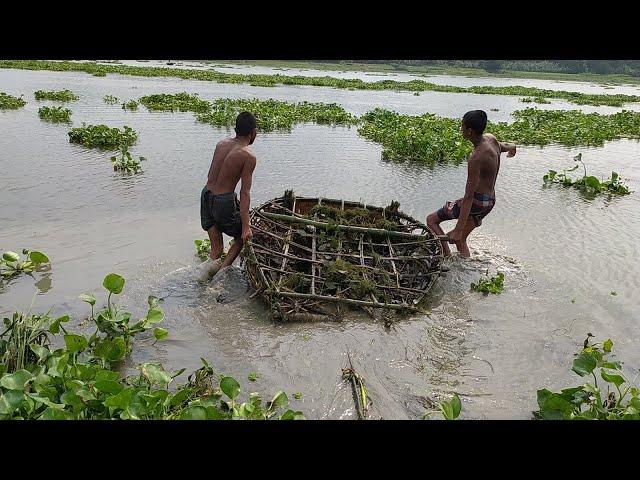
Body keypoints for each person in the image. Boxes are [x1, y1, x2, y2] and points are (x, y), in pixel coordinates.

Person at [426, 110, 516, 258]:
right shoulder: (491, 139)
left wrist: (458, 229)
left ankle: (446, 255)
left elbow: (469, 196)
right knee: (461, 241)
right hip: (489, 202)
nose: (460, 129)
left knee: (432, 220)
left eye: (462, 126)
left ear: (469, 131)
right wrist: (513, 147)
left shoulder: (476, 158)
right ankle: (465, 266)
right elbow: (505, 146)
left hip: (477, 202)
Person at [196, 111, 257, 281]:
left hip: (206, 195)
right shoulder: (248, 155)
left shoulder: (221, 144)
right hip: (223, 201)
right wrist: (246, 226)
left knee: (216, 250)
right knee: (239, 239)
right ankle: (219, 279)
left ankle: (203, 277)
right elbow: (245, 192)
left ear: (235, 129)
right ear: (253, 132)